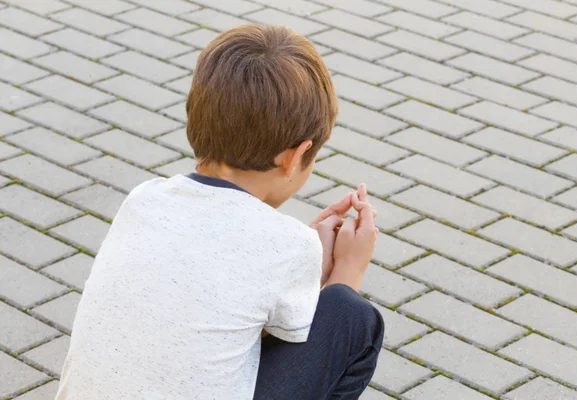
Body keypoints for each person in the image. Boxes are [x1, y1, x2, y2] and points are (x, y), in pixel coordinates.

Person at [55, 24, 384, 400]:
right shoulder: (288, 246)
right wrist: (345, 272)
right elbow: (292, 337)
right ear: (295, 156)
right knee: (352, 315)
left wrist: (305, 263)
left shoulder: (143, 199)